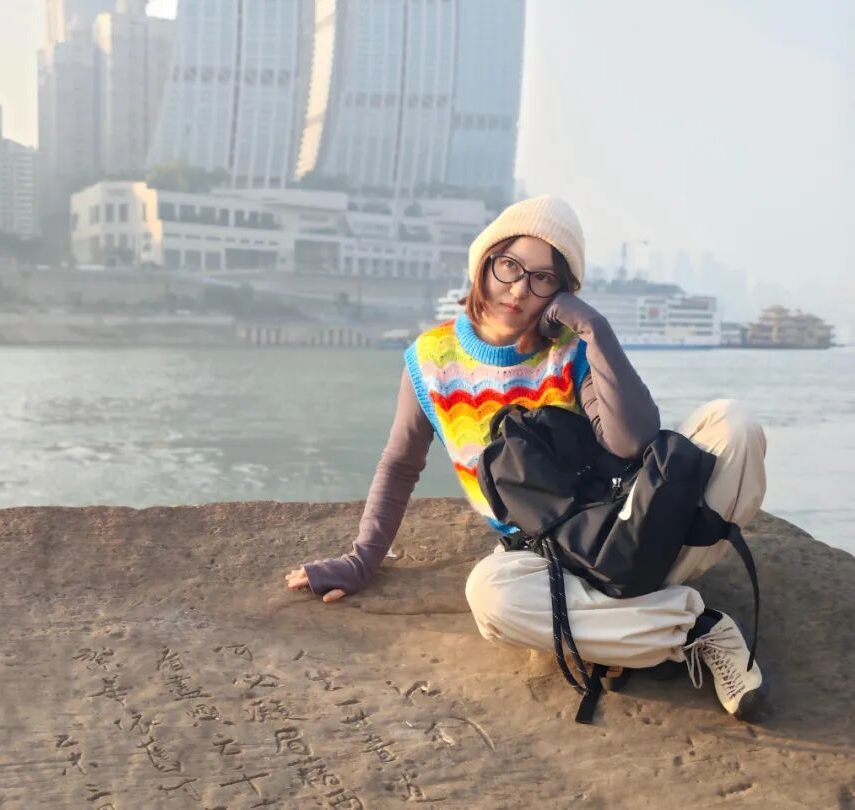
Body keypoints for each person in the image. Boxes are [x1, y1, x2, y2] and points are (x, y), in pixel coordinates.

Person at [284, 195, 769, 721]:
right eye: (510, 266)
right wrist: (361, 561)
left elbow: (632, 442)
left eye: (542, 279)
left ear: (562, 293)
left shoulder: (570, 351)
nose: (518, 289)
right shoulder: (430, 360)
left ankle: (622, 624)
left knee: (735, 423)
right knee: (492, 598)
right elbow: (400, 465)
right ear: (484, 263)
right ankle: (693, 629)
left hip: (633, 525)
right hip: (549, 555)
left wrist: (595, 331)